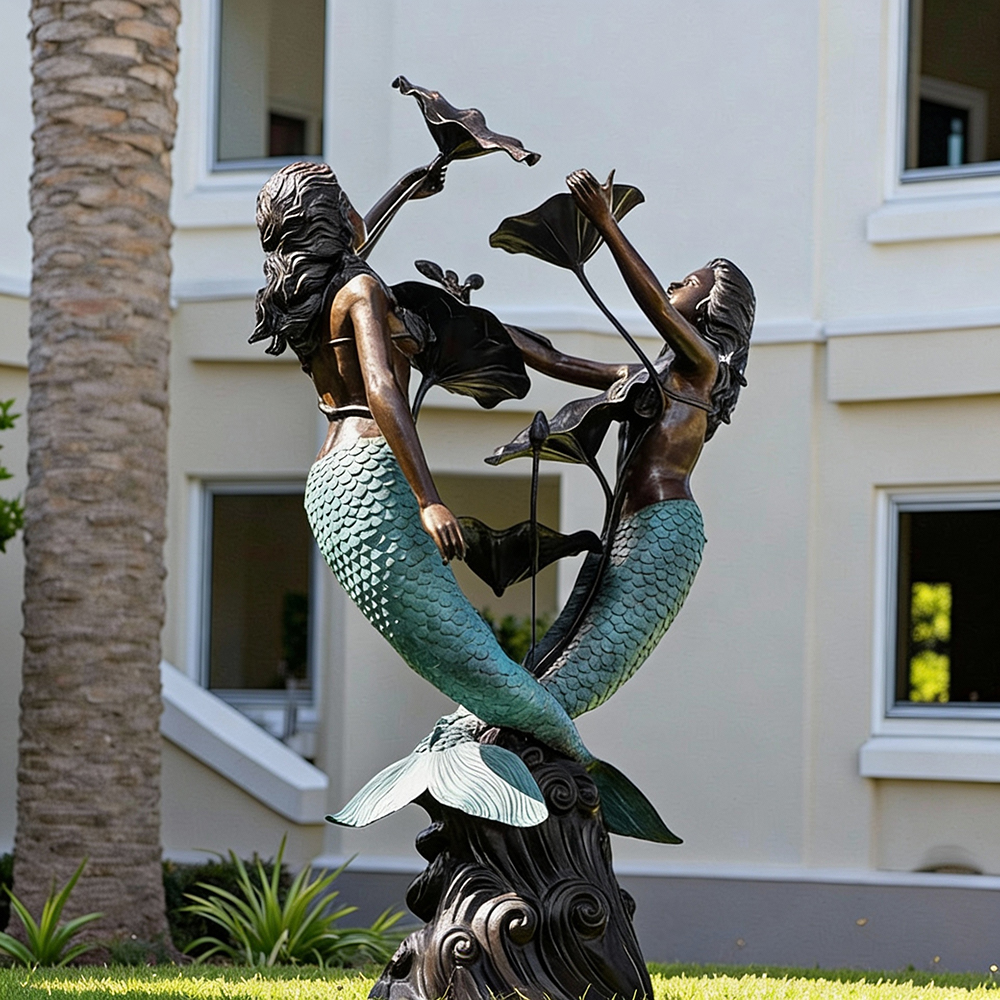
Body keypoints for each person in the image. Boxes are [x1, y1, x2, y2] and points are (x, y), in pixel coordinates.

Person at [252, 161, 669, 839]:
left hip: (329, 482)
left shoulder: (313, 290)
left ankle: (494, 771)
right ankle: (577, 784)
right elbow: (385, 388)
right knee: (476, 663)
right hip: (372, 479)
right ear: (333, 223)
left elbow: (359, 247)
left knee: (469, 661)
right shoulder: (357, 288)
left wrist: (405, 189)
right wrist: (429, 500)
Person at [504, 169, 756, 718]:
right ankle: (510, 725)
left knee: (586, 665)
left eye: (688, 283)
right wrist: (478, 323)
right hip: (628, 528)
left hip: (663, 528)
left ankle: (535, 745)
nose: (673, 286)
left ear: (714, 305)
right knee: (555, 653)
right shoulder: (652, 373)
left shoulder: (702, 369)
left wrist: (606, 222)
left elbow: (658, 311)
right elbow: (558, 361)